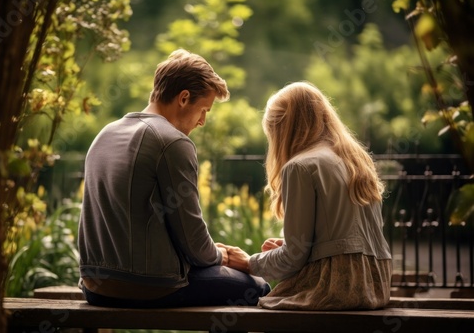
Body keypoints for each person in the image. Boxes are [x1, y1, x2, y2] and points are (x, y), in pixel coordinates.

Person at [78, 49, 270, 308]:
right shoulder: (172, 142)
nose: (202, 121)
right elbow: (193, 243)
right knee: (257, 286)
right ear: (183, 98)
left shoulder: (105, 134)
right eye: (204, 110)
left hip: (95, 288)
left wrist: (210, 253)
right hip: (149, 286)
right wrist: (221, 255)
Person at [221, 81, 392, 310]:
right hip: (376, 284)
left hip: (336, 287)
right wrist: (306, 248)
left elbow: (293, 258)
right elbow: (343, 240)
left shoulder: (300, 166)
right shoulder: (356, 162)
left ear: (284, 129)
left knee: (251, 304)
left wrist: (249, 262)